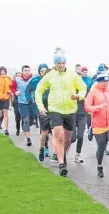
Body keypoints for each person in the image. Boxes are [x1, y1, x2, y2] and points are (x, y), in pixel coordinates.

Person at [35, 47, 87, 176]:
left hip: (70, 110)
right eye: (59, 63)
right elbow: (38, 90)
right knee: (58, 136)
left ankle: (62, 154)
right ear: (55, 63)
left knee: (68, 139)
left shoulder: (72, 75)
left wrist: (78, 96)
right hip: (55, 110)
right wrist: (41, 106)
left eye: (63, 63)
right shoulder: (50, 76)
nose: (61, 65)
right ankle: (61, 164)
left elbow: (83, 87)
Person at [85, 70, 109, 180]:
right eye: (103, 81)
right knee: (101, 147)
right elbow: (87, 107)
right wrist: (98, 107)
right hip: (98, 124)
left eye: (107, 81)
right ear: (98, 81)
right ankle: (99, 166)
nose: (106, 83)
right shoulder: (92, 92)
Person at [26, 64, 51, 161]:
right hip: (41, 109)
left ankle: (56, 153)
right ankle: (43, 148)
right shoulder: (35, 80)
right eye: (41, 71)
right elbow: (28, 90)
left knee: (55, 132)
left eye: (45, 71)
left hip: (53, 110)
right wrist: (29, 99)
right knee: (44, 131)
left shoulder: (52, 80)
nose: (43, 73)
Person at [11, 65, 35, 145]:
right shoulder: (17, 80)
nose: (27, 72)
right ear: (22, 71)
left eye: (28, 70)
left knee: (31, 121)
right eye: (25, 70)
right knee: (26, 120)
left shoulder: (33, 79)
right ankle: (28, 138)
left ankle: (27, 127)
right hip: (22, 103)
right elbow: (12, 87)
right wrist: (15, 92)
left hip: (32, 102)